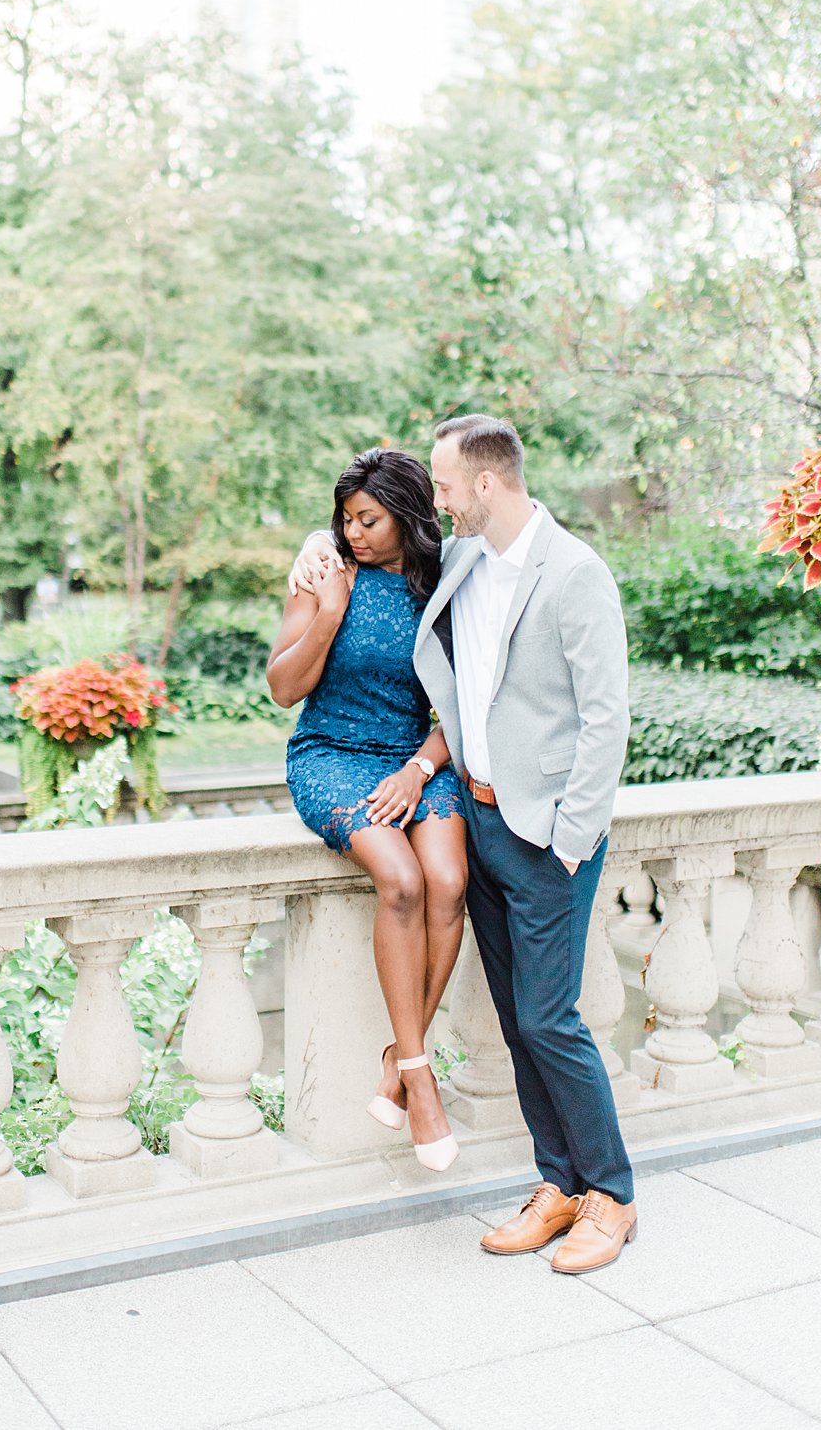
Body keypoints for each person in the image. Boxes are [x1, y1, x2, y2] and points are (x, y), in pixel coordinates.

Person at [292, 414, 635, 1273]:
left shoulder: (575, 573)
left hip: (548, 830)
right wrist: (314, 550)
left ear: (485, 484)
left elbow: (607, 718)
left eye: (445, 486)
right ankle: (558, 1184)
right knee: (520, 1023)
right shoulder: (465, 563)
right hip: (476, 816)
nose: (436, 503)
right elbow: (369, 556)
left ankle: (613, 1196)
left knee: (552, 1019)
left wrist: (571, 836)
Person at [268, 448, 467, 1171]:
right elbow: (283, 689)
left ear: (408, 517)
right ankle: (419, 1074)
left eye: (369, 519)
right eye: (345, 519)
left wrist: (419, 770)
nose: (352, 532)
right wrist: (329, 613)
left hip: (419, 758)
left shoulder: (445, 584)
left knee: (449, 880)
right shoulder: (326, 572)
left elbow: (470, 706)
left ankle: (396, 1055)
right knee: (404, 881)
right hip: (331, 755)